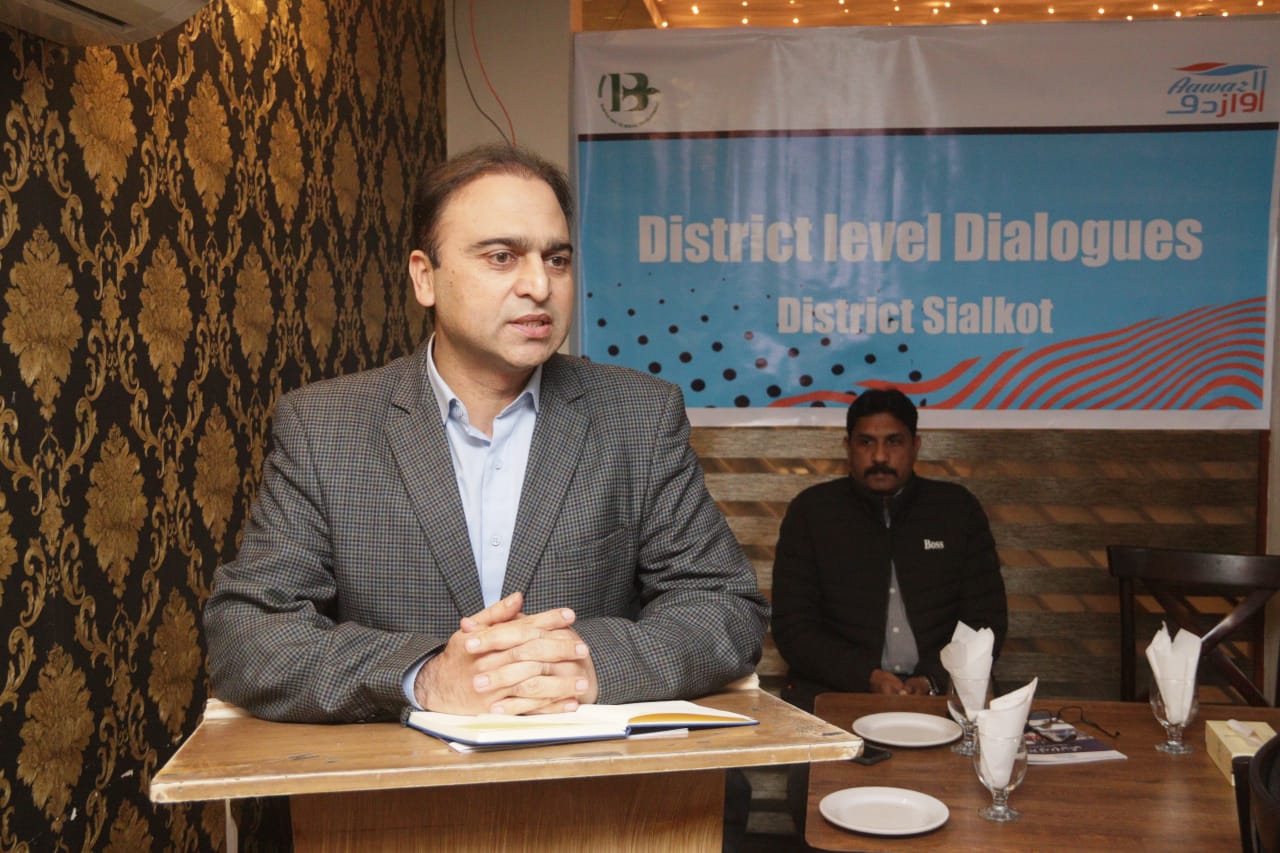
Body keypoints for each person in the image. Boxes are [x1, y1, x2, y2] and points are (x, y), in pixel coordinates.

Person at [203, 143, 769, 726]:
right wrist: (423, 677)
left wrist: (588, 665)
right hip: (399, 774)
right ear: (425, 277)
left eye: (557, 259)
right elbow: (247, 633)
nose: (539, 285)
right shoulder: (325, 427)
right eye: (502, 257)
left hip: (586, 772)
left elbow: (723, 607)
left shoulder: (638, 416)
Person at [771, 388, 1008, 713]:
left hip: (943, 693)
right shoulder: (812, 512)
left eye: (894, 442)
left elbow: (985, 621)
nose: (880, 457)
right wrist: (867, 677)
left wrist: (931, 679)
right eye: (866, 442)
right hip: (837, 692)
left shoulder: (956, 509)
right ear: (848, 447)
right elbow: (793, 629)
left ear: (915, 446)